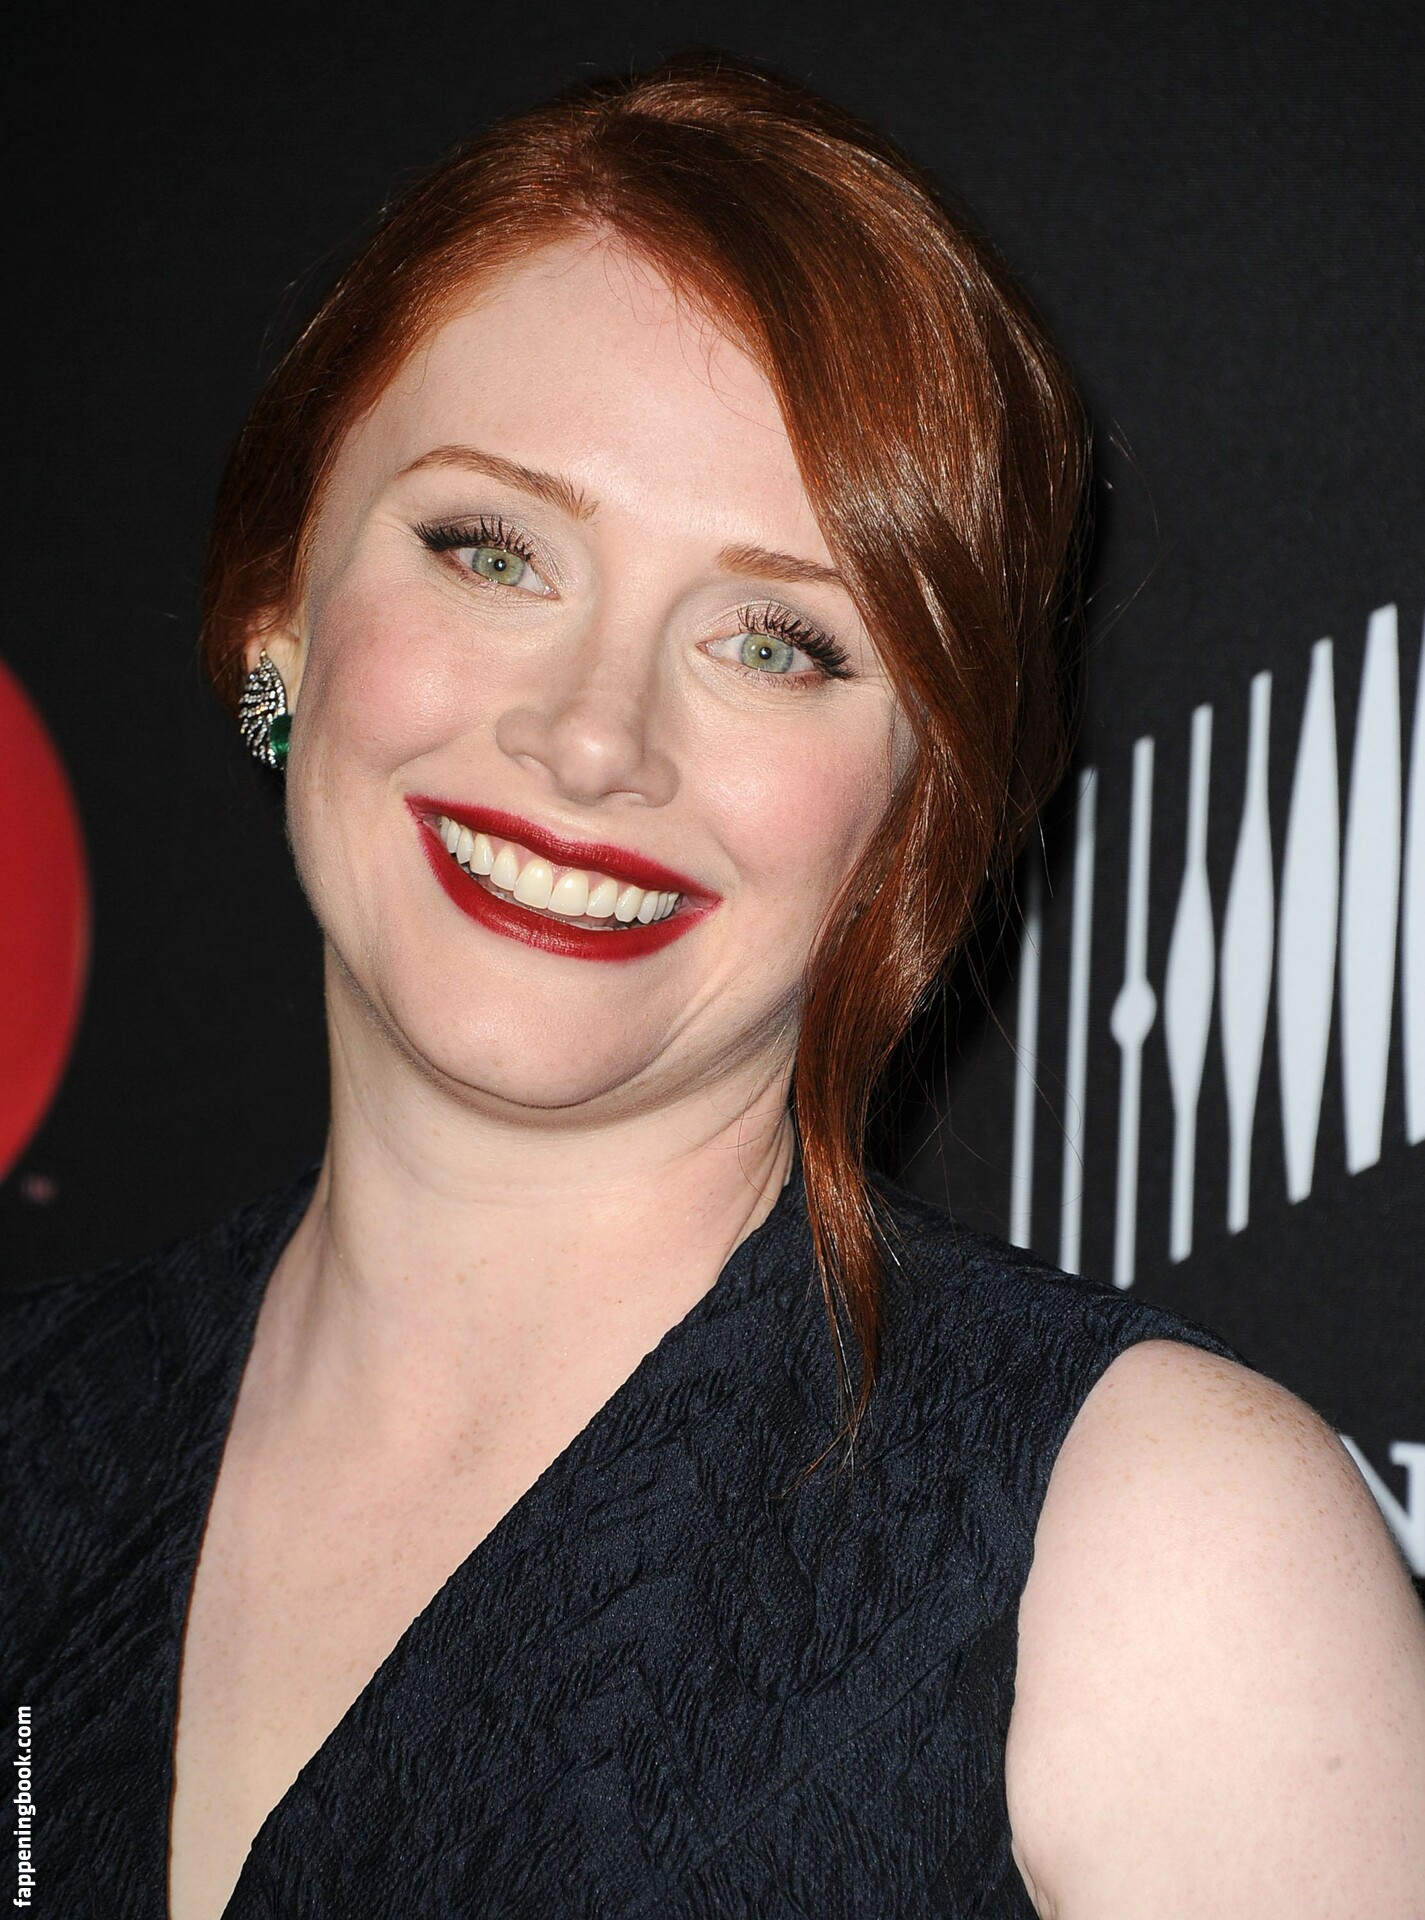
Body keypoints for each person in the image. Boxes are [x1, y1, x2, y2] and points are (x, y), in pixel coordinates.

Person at [4, 52, 1422, 1920]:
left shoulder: (1153, 1547)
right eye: (491, 550)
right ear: (278, 605)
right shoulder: (30, 1428)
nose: (594, 738)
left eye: (776, 642)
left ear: (920, 808)